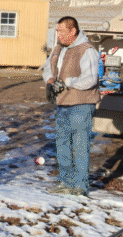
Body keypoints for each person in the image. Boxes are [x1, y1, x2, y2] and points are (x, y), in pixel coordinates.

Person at [43, 16, 100, 196]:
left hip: (81, 104)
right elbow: (47, 68)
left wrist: (67, 82)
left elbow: (90, 79)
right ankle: (65, 182)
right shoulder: (58, 49)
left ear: (73, 31)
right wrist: (51, 80)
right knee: (62, 145)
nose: (57, 34)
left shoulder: (87, 50)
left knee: (80, 146)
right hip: (63, 104)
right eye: (57, 30)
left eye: (61, 30)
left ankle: (80, 186)